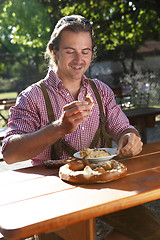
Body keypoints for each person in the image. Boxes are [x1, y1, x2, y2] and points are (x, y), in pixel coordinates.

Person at [2, 15, 160, 240]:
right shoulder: (31, 97)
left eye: (85, 51)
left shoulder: (101, 91)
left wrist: (130, 137)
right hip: (51, 193)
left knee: (153, 232)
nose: (79, 59)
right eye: (70, 51)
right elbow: (10, 154)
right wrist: (58, 127)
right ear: (54, 51)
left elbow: (122, 127)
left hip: (101, 185)